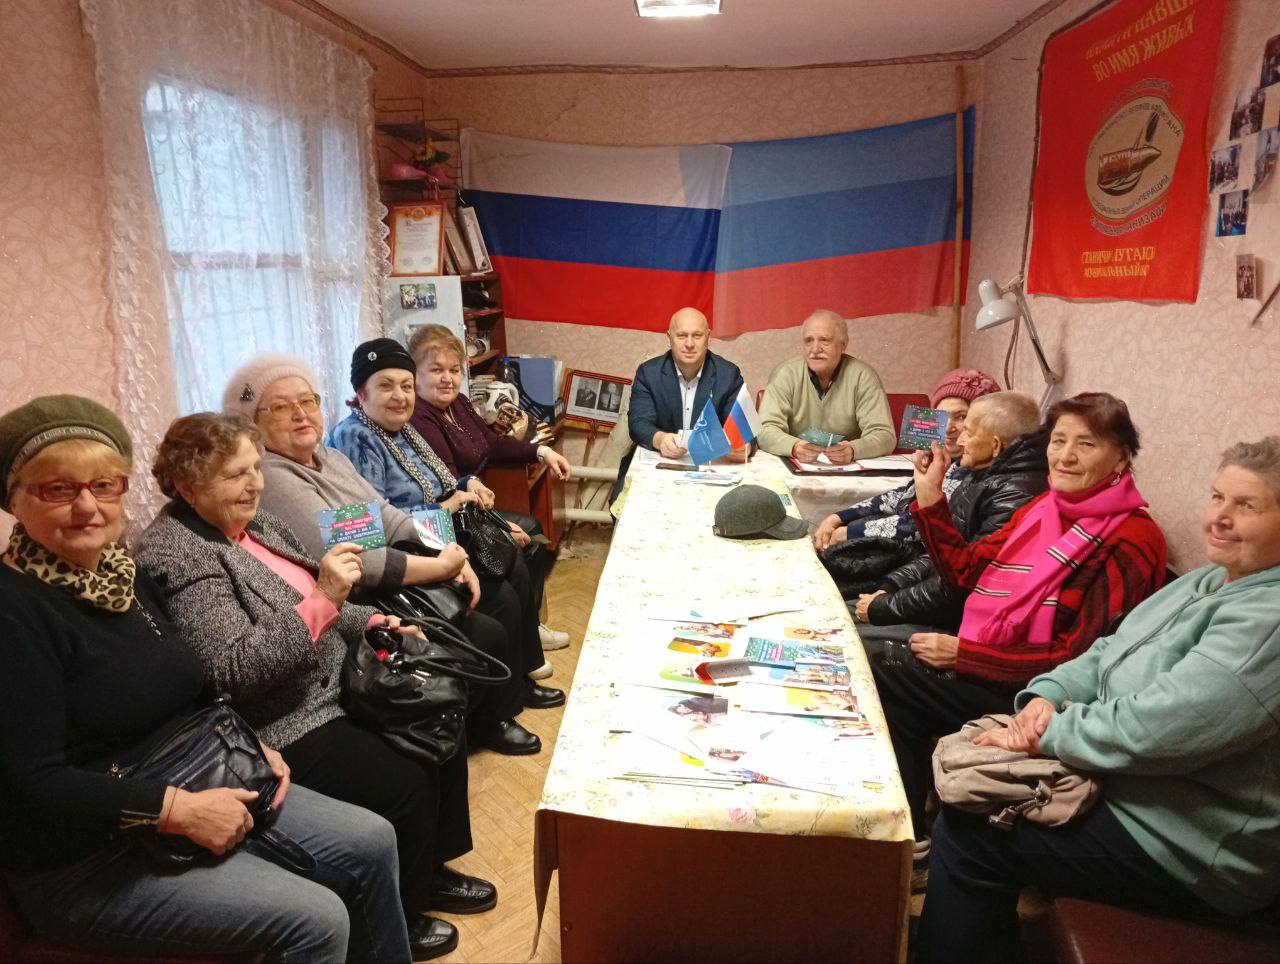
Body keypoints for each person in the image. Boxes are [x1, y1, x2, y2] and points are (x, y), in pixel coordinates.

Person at [0, 395, 412, 962]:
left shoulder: (120, 576)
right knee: (316, 921)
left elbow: (194, 686)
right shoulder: (16, 611)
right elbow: (31, 782)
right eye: (58, 489)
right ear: (14, 500)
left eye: (105, 485)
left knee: (373, 840)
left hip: (195, 772)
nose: (87, 506)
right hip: (91, 855)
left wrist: (251, 745)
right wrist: (176, 810)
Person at [136, 413, 494, 959]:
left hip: (337, 676)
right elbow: (231, 671)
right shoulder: (179, 555)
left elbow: (326, 594)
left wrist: (376, 621)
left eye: (255, 469)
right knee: (403, 777)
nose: (254, 484)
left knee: (439, 716)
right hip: (282, 716)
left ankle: (430, 871)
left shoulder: (256, 523)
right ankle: (402, 910)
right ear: (186, 485)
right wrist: (327, 601)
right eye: (235, 474)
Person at [917, 437, 1280, 962]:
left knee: (973, 835)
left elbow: (1162, 728)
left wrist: (1046, 734)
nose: (1220, 518)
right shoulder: (1211, 579)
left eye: (1246, 506)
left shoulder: (1268, 619)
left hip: (1191, 843)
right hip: (1128, 782)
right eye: (1217, 497)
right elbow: (1109, 649)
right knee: (970, 794)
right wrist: (1048, 695)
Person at [873, 392, 1167, 870]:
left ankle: (916, 838)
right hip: (996, 660)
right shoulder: (1043, 510)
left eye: (1086, 444)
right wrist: (930, 498)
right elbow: (966, 571)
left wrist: (965, 656)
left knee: (882, 665)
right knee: (880, 669)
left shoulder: (1132, 539)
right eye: (1059, 440)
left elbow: (1080, 661)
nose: (1065, 456)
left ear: (1121, 458)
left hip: (1039, 697)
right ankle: (914, 830)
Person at [223, 353, 559, 756]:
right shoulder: (275, 475)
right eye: (281, 407)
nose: (300, 414)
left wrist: (448, 550)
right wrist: (440, 565)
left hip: (396, 565)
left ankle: (503, 700)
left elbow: (389, 517)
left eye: (308, 401)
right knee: (491, 617)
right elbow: (355, 560)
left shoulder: (329, 459)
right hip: (358, 600)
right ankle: (486, 719)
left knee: (505, 578)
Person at [330, 339, 572, 667]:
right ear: (362, 393)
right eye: (385, 386)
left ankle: (528, 663)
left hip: (438, 526)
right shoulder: (356, 438)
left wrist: (465, 485)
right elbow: (377, 525)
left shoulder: (402, 428)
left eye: (405, 386)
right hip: (412, 545)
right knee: (502, 594)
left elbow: (439, 482)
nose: (400, 396)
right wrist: (450, 507)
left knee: (515, 559)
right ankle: (517, 675)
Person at [407, 326, 572, 652]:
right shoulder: (420, 418)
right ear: (415, 375)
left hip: (474, 506)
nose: (447, 379)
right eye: (436, 370)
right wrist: (498, 523)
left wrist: (541, 452)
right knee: (525, 540)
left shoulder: (459, 404)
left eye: (454, 370)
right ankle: (525, 641)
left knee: (534, 533)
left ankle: (529, 626)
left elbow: (491, 443)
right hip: (451, 520)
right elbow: (448, 484)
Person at [853, 392, 1047, 632]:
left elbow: (963, 586)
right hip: (931, 599)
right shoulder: (980, 475)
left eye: (969, 432)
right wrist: (889, 587)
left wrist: (882, 607)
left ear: (995, 445)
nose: (960, 439)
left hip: (963, 625)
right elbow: (941, 557)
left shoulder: (1015, 495)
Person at [813, 368, 1000, 549]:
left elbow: (922, 524)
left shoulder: (977, 474)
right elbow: (901, 496)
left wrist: (850, 532)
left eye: (962, 416)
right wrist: (839, 517)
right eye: (943, 416)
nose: (949, 427)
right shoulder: (950, 462)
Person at [612, 306, 745, 498]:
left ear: (708, 337)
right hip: (658, 463)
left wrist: (741, 444)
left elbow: (743, 430)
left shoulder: (728, 375)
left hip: (710, 469)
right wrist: (660, 439)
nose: (689, 344)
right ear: (669, 337)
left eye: (697, 335)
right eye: (682, 336)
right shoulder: (648, 373)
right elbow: (638, 423)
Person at [757, 309, 894, 463]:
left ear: (843, 344)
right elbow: (764, 430)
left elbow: (884, 435)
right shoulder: (785, 374)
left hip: (847, 467)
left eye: (824, 340)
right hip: (797, 465)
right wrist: (794, 447)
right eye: (809, 340)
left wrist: (853, 450)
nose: (815, 349)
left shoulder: (863, 376)